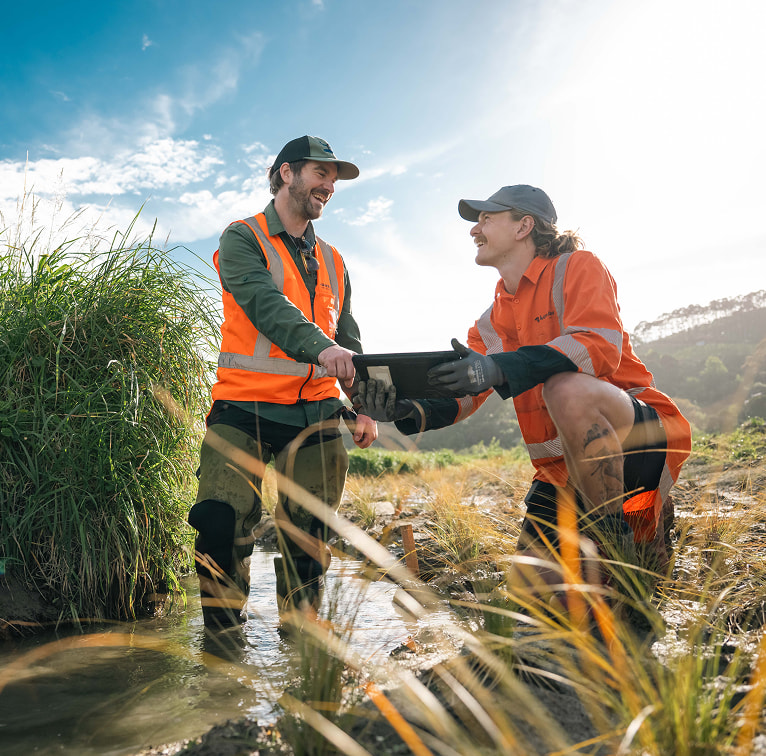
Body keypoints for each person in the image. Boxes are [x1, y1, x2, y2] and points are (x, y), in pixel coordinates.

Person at [358, 184, 691, 614]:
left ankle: (616, 549)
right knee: (532, 598)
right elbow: (465, 395)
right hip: (559, 473)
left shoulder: (578, 267)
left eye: (485, 219)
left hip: (637, 438)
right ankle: (639, 550)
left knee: (564, 386)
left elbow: (598, 346)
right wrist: (405, 410)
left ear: (524, 226)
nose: (474, 229)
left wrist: (502, 368)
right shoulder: (492, 319)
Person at [190, 135, 377, 630]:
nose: (330, 185)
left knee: (310, 538)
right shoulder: (242, 238)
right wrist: (323, 348)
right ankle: (222, 658)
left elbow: (349, 341)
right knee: (219, 522)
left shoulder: (336, 261)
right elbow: (267, 308)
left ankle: (302, 655)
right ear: (287, 173)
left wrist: (363, 406)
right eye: (322, 173)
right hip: (243, 406)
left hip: (316, 412)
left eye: (334, 179)